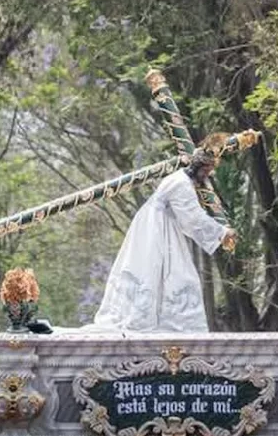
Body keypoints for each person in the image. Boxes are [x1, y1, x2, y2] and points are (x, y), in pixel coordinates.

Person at [90, 141, 237, 333]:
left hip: (156, 224)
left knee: (159, 273)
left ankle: (161, 320)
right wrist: (222, 233)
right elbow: (192, 218)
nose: (209, 176)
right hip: (158, 228)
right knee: (173, 274)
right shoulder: (182, 185)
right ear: (202, 167)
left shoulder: (179, 178)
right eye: (208, 171)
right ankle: (172, 325)